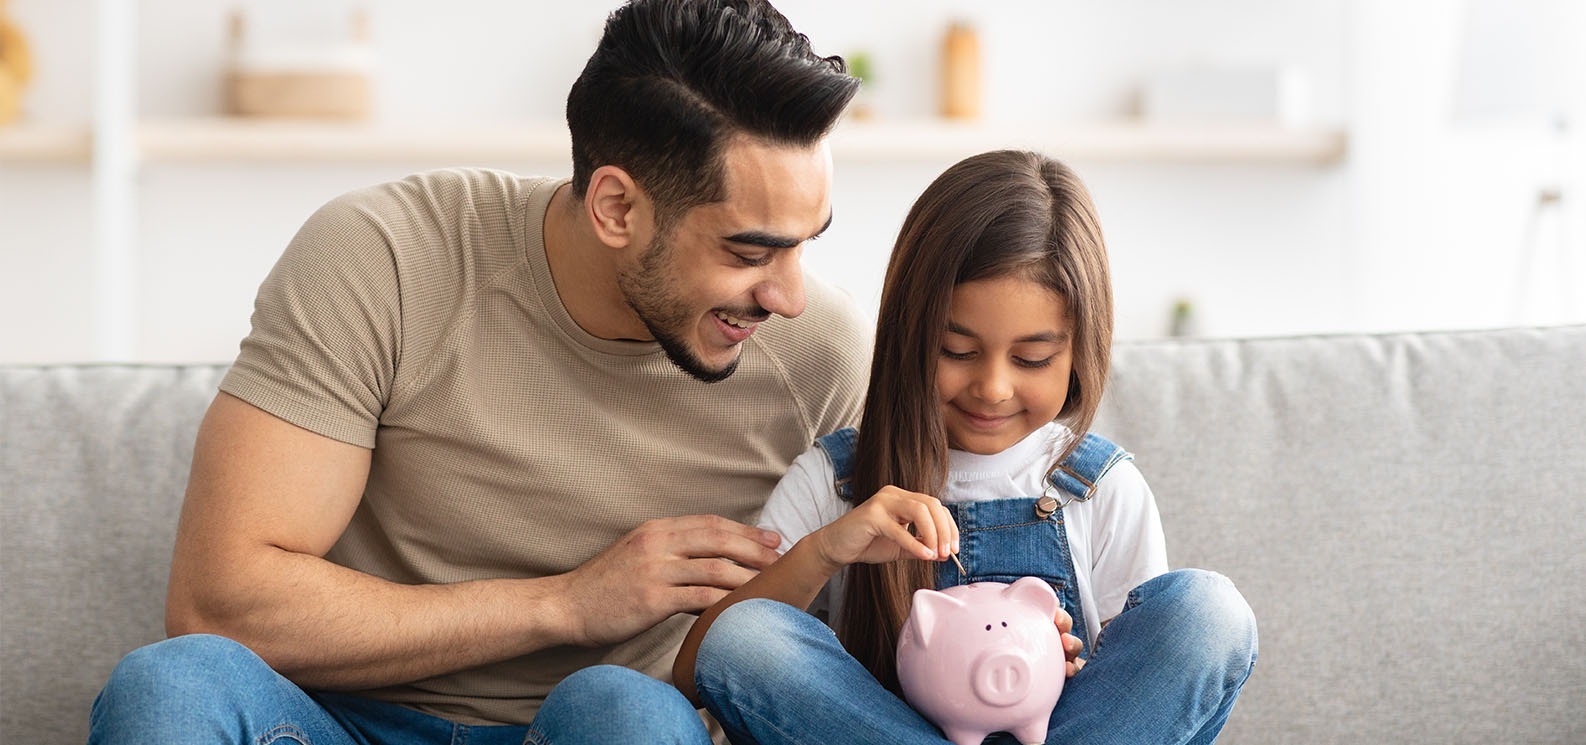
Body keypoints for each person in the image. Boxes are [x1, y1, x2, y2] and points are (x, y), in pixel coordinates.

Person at [88, 1, 865, 743]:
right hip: (340, 722)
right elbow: (219, 603)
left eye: (806, 243)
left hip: (607, 727)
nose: (790, 296)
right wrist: (566, 603)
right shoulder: (386, 258)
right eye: (749, 252)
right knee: (170, 684)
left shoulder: (824, 357)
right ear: (617, 208)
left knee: (624, 708)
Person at [674, 150, 1259, 744]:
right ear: (910, 333)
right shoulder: (837, 481)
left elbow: (1132, 699)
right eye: (957, 351)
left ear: (1080, 351)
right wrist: (824, 552)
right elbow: (705, 665)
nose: (993, 387)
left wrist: (1068, 666)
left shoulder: (1099, 488)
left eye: (1032, 359)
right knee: (746, 635)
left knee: (1206, 612)